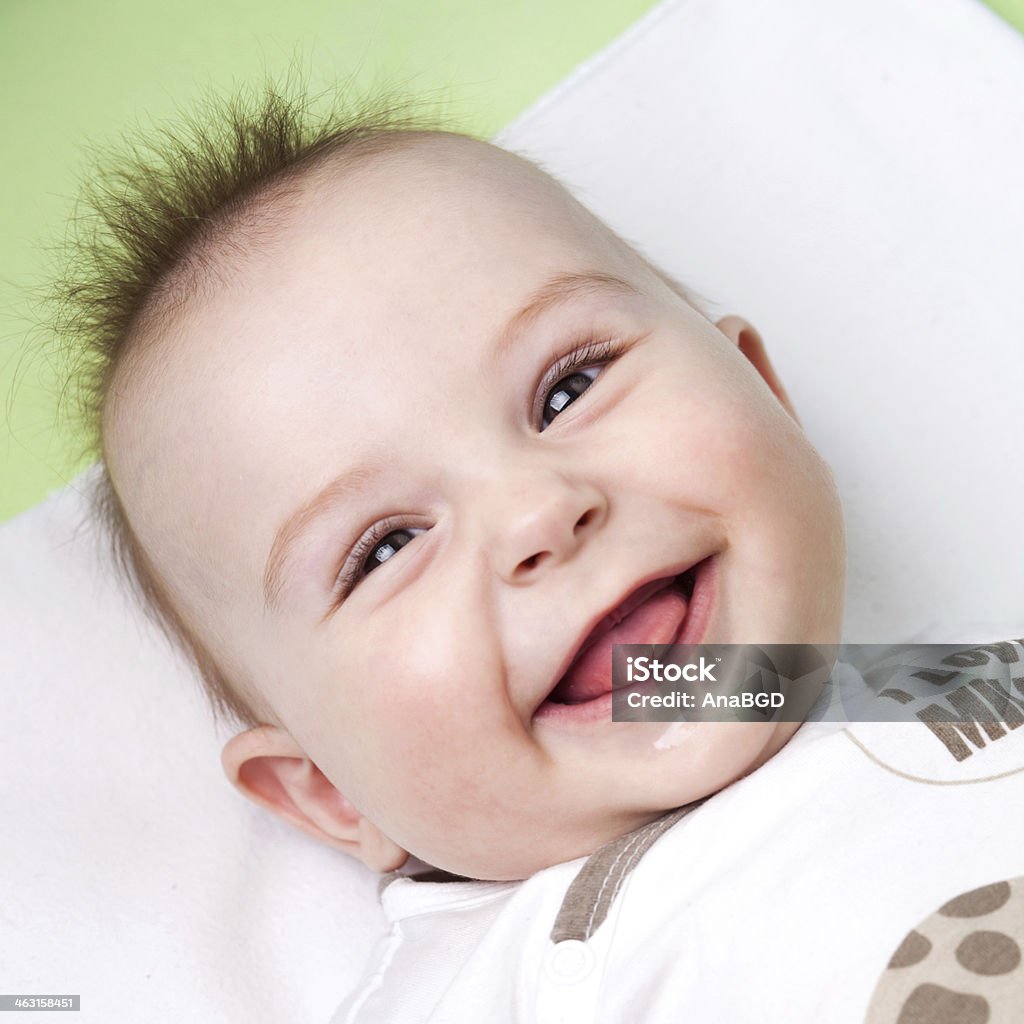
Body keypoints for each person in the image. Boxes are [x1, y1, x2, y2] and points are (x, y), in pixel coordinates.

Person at [49, 76, 1024, 1022]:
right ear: (330, 791)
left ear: (761, 388)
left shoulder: (969, 681)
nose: (538, 513)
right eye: (386, 547)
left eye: (568, 389)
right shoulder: (493, 983)